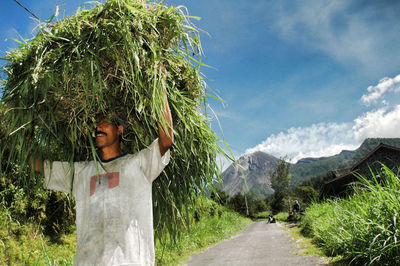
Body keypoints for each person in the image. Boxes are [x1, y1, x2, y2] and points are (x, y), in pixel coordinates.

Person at [32, 90, 173, 265]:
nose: (98, 128)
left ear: (120, 130)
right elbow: (39, 166)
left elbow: (166, 141)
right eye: (97, 125)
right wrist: (27, 128)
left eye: (105, 123)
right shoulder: (82, 172)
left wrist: (159, 88)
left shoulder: (138, 165)